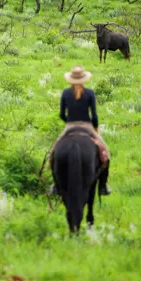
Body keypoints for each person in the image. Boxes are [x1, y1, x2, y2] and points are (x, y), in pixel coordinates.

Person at [49, 65, 111, 196]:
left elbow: (61, 114)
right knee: (105, 155)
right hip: (87, 126)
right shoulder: (90, 93)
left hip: (70, 126)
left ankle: (56, 186)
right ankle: (103, 187)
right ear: (84, 79)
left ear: (70, 79)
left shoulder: (66, 93)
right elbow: (94, 115)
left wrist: (69, 123)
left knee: (53, 154)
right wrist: (95, 127)